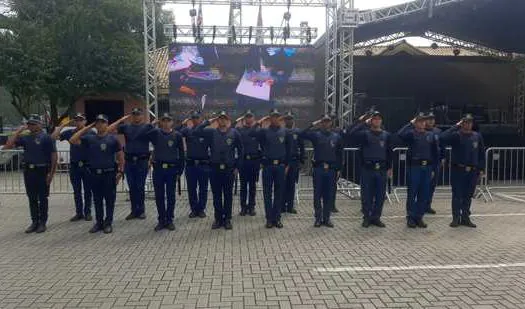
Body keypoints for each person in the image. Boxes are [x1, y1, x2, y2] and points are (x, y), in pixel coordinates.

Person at [70, 114, 125, 234]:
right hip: (94, 174)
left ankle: (108, 223)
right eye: (98, 122)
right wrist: (86, 128)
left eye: (103, 122)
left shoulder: (113, 139)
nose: (100, 124)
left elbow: (120, 157)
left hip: (109, 174)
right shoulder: (90, 138)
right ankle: (99, 222)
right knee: (97, 199)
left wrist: (120, 171)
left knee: (110, 200)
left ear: (107, 124)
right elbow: (73, 140)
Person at [4, 114, 57, 233]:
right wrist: (18, 131)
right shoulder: (26, 138)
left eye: (33, 123)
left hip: (42, 170)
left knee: (42, 198)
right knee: (32, 197)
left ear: (40, 124)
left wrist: (51, 173)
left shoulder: (46, 137)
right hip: (29, 171)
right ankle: (34, 222)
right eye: (29, 124)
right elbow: (8, 145)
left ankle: (43, 222)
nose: (31, 126)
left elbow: (53, 156)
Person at [194, 111, 243, 230]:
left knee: (228, 196)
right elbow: (196, 131)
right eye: (220, 119)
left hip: (229, 170)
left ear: (228, 120)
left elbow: (241, 151)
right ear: (217, 120)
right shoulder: (211, 132)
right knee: (216, 196)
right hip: (214, 169)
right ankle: (218, 219)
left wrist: (237, 167)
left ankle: (227, 219)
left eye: (224, 118)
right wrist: (208, 121)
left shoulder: (234, 133)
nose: (222, 121)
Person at [345, 111, 393, 228]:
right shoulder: (365, 134)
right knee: (367, 194)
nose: (376, 121)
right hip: (368, 168)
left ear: (381, 121)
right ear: (370, 121)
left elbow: (389, 152)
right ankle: (367, 217)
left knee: (380, 195)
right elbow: (350, 133)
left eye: (378, 119)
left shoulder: (386, 135)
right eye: (374, 119)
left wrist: (390, 167)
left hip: (381, 169)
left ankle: (376, 217)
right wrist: (362, 122)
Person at [440, 114, 484, 228]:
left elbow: (481, 154)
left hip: (472, 171)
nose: (468, 124)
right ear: (462, 123)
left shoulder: (477, 136)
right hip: (458, 170)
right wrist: (455, 126)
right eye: (465, 122)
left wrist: (481, 169)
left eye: (470, 122)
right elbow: (442, 137)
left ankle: (465, 217)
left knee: (468, 195)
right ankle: (456, 218)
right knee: (457, 195)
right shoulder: (456, 135)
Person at [109, 108, 153, 220]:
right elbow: (109, 129)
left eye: (138, 114)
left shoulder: (147, 127)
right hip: (129, 162)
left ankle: (141, 210)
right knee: (132, 187)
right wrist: (121, 120)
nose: (136, 116)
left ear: (142, 116)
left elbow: (156, 141)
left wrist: (151, 159)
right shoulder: (126, 127)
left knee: (140, 187)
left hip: (142, 161)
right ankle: (134, 211)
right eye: (134, 114)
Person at [397, 112, 439, 228]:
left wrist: (433, 169)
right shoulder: (411, 134)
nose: (422, 123)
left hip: (427, 167)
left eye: (423, 121)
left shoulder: (430, 135)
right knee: (412, 193)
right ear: (415, 123)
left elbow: (435, 153)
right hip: (414, 167)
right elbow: (400, 134)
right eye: (419, 121)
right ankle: (410, 217)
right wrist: (410, 123)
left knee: (424, 193)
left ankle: (419, 217)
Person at [300, 114, 343, 228]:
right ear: (321, 122)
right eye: (324, 121)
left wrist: (338, 169)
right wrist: (314, 123)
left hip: (331, 169)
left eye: (328, 121)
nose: (326, 123)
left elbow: (339, 154)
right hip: (319, 168)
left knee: (329, 195)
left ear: (331, 123)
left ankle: (327, 218)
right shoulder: (316, 135)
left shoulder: (336, 136)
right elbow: (302, 134)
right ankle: (318, 218)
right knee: (317, 194)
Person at [250, 109, 290, 229]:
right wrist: (259, 122)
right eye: (273, 117)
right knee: (267, 194)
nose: (275, 118)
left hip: (280, 167)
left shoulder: (285, 132)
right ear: (269, 118)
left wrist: (287, 165)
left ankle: (277, 218)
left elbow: (289, 149)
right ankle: (269, 219)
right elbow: (251, 133)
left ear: (280, 118)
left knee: (279, 194)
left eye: (277, 116)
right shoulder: (264, 131)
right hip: (267, 166)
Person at [51, 113, 94, 222]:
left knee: (88, 190)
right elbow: (53, 137)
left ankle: (87, 212)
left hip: (87, 165)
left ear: (85, 121)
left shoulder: (90, 132)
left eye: (81, 120)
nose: (78, 122)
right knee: (77, 191)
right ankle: (79, 213)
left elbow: (79, 142)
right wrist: (62, 126)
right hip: (75, 165)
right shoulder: (70, 132)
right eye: (76, 120)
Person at [147, 113, 185, 232]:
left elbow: (182, 153)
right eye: (164, 120)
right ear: (161, 122)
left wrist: (180, 170)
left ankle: (169, 220)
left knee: (170, 196)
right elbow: (144, 134)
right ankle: (161, 220)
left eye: (168, 120)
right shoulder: (156, 133)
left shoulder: (177, 135)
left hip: (172, 169)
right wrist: (152, 124)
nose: (166, 123)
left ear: (172, 122)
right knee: (159, 196)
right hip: (158, 169)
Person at [180, 112, 210, 218]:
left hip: (203, 165)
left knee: (203, 188)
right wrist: (183, 124)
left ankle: (201, 209)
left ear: (201, 118)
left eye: (197, 117)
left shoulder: (206, 131)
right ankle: (194, 209)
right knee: (191, 189)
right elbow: (177, 133)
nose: (195, 119)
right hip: (191, 164)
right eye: (193, 118)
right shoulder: (188, 130)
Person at [235, 110, 260, 216]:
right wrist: (238, 120)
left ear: (253, 118)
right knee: (243, 186)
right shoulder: (240, 130)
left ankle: (252, 207)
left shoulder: (258, 131)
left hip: (254, 161)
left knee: (253, 186)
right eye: (247, 117)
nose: (249, 119)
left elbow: (262, 146)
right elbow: (230, 128)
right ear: (244, 119)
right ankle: (243, 207)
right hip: (244, 161)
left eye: (251, 117)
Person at [282, 111, 305, 214]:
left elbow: (302, 146)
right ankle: (282, 206)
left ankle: (290, 206)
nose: (289, 120)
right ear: (284, 120)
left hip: (294, 162)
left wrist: (302, 160)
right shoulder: (281, 131)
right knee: (282, 184)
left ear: (293, 120)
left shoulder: (298, 132)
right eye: (287, 119)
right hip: (284, 162)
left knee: (292, 185)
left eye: (290, 118)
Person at [424, 111, 446, 215]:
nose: (431, 121)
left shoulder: (438, 131)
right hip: (424, 162)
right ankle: (420, 204)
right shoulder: (421, 130)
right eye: (429, 119)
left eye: (432, 119)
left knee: (432, 185)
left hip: (436, 162)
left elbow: (442, 146)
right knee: (423, 185)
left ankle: (428, 205)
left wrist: (443, 157)